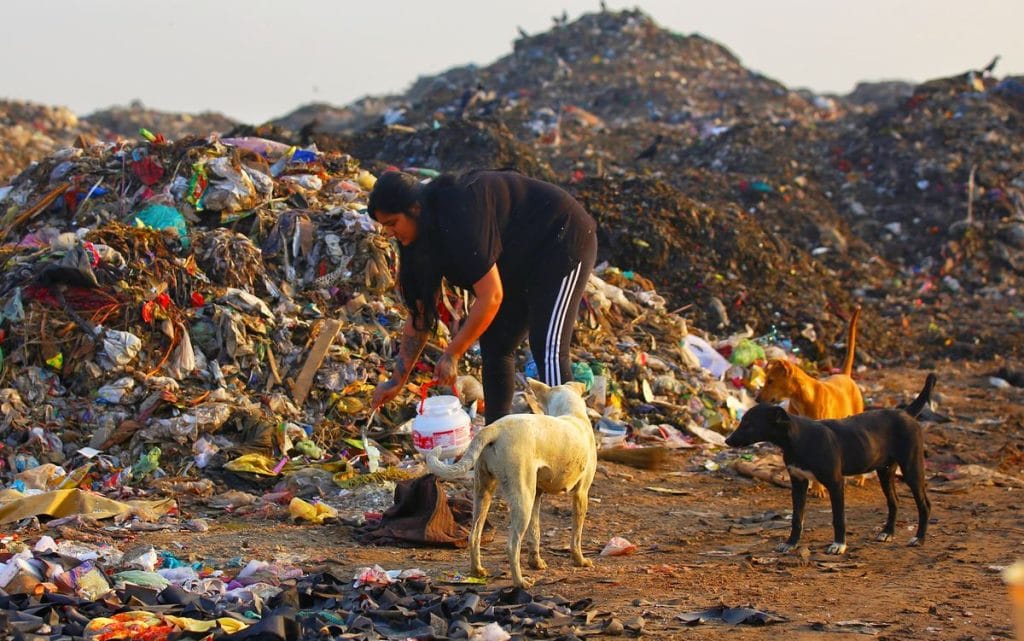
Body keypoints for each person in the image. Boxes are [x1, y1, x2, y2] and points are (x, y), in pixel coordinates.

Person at [368, 169, 597, 424]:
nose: (388, 233)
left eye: (392, 223)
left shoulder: (458, 213)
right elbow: (420, 314)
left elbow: (491, 296)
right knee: (496, 346)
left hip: (561, 237)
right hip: (514, 260)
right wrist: (396, 381)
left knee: (548, 348)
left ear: (415, 209)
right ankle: (495, 440)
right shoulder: (414, 240)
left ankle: (570, 443)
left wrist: (453, 353)